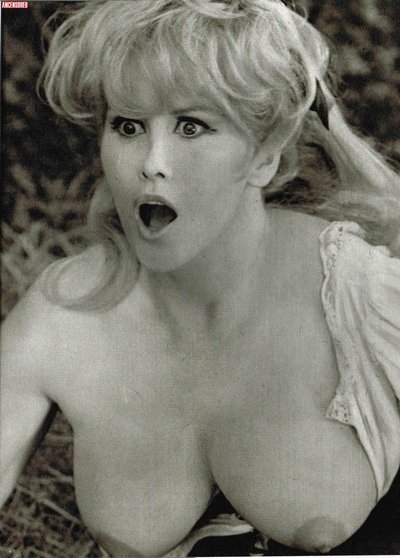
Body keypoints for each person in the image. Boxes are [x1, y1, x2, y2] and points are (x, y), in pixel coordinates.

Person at [1, 0, 400, 556]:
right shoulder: (64, 313)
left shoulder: (361, 292)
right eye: (128, 126)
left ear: (263, 156)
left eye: (192, 126)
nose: (152, 161)